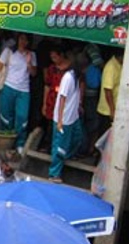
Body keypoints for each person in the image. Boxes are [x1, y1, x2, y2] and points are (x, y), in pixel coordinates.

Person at [0, 33, 37, 153]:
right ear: (18, 39)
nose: (23, 42)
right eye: (21, 39)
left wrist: (29, 63)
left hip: (24, 90)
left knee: (22, 116)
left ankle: (20, 143)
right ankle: (5, 142)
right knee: (5, 116)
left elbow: (34, 73)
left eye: (26, 40)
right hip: (8, 86)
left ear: (29, 42)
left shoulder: (32, 54)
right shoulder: (8, 51)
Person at [48, 54, 83, 184]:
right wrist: (60, 120)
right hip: (64, 118)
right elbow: (62, 98)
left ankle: (66, 157)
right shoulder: (68, 78)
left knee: (78, 138)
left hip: (73, 117)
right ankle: (54, 173)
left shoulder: (77, 78)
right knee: (60, 147)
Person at [40, 47, 65, 152]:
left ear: (61, 55)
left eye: (55, 57)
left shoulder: (69, 70)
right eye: (52, 58)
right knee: (50, 123)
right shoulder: (51, 69)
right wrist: (44, 103)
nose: (53, 60)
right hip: (52, 100)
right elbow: (47, 85)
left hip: (63, 102)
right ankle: (48, 145)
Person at [97, 51, 122, 135]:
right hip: (107, 110)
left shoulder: (119, 65)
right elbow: (108, 90)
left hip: (115, 108)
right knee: (104, 137)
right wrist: (112, 110)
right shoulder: (111, 67)